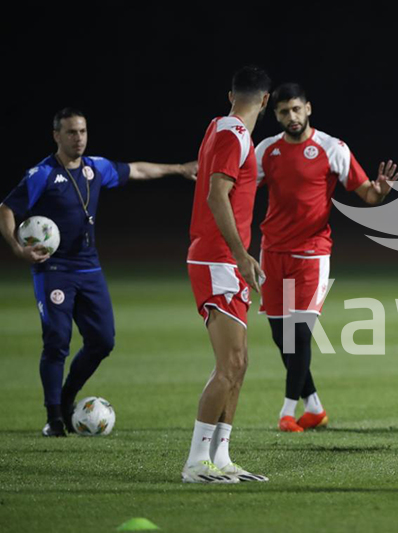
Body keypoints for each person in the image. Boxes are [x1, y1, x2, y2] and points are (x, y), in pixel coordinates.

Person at [0, 108, 196, 438]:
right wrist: (17, 248)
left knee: (103, 341)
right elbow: (6, 209)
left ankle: (66, 398)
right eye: (72, 132)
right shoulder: (42, 174)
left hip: (89, 268)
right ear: (57, 136)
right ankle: (54, 418)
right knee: (57, 342)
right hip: (53, 270)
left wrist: (179, 169)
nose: (79, 138)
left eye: (83, 131)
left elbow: (137, 170)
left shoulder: (95, 168)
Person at [254, 83, 398, 433]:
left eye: (296, 109)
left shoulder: (332, 148)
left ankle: (288, 412)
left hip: (312, 254)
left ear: (308, 109)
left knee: (300, 335)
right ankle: (315, 407)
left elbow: (367, 194)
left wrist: (379, 192)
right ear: (275, 115)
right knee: (281, 337)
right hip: (272, 253)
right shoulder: (265, 151)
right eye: (284, 112)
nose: (292, 117)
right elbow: (243, 188)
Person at [182, 66, 271, 484]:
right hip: (218, 260)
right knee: (229, 362)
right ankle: (196, 462)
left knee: (241, 362)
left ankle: (221, 455)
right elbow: (217, 193)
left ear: (230, 93)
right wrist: (241, 254)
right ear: (266, 100)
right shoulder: (233, 134)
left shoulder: (222, 126)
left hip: (223, 260)